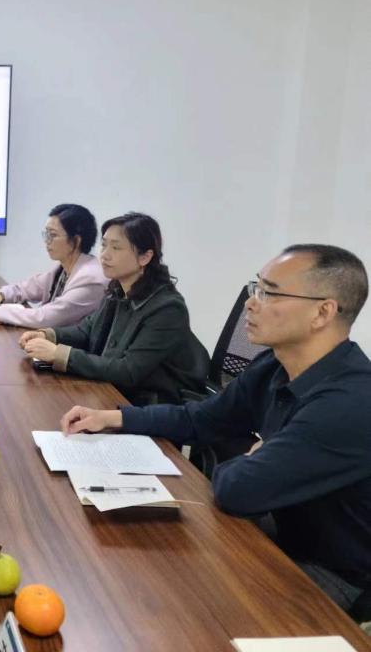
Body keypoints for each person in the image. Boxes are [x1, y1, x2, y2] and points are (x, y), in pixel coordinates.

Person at [60, 244, 370, 614]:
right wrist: (115, 418)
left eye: (269, 293)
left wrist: (252, 459)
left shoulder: (349, 402)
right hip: (276, 529)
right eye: (256, 288)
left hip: (332, 572)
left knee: (180, 607)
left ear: (323, 312)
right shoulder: (274, 366)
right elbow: (201, 419)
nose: (251, 304)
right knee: (135, 571)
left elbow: (239, 490)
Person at [20, 212, 208, 406]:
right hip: (115, 392)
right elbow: (86, 330)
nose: (105, 255)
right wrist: (47, 335)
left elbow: (128, 371)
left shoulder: (167, 308)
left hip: (154, 405)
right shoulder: (118, 289)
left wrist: (58, 354)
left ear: (145, 257)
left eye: (116, 247)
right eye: (104, 245)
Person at [0, 203, 108, 328]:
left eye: (53, 235)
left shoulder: (90, 279)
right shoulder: (64, 269)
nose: (47, 241)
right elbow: (26, 288)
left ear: (76, 241)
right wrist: (1, 296)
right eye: (46, 234)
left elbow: (45, 318)